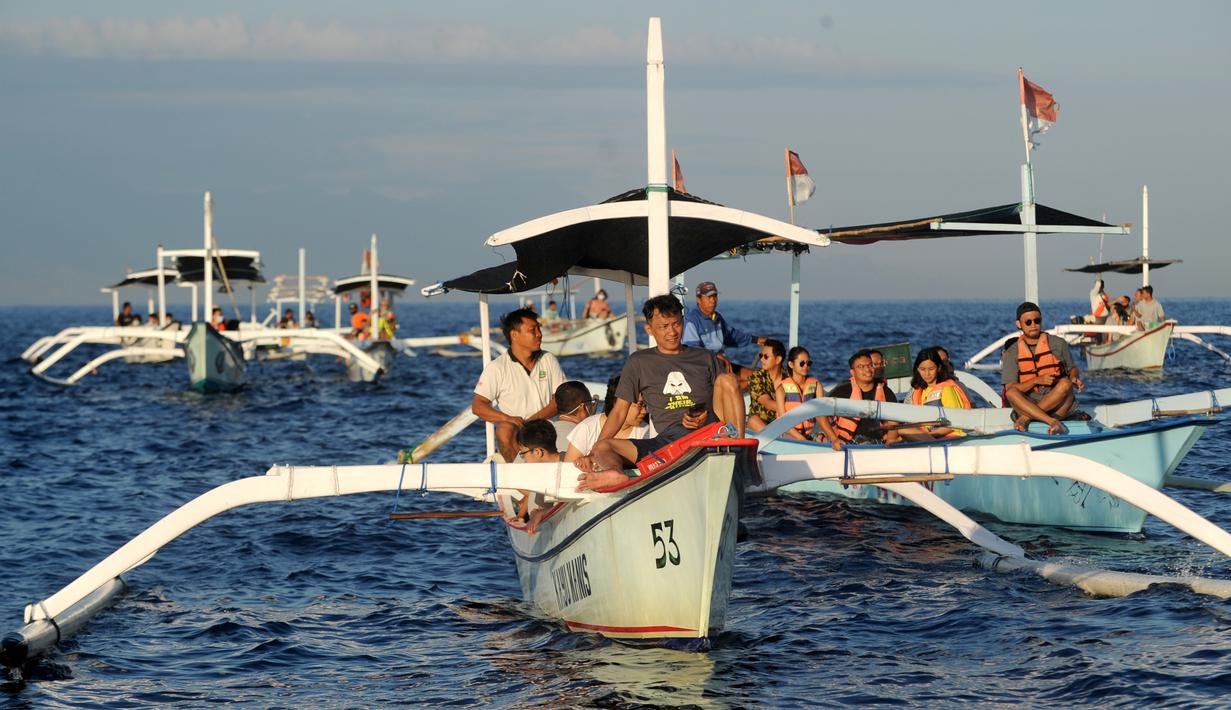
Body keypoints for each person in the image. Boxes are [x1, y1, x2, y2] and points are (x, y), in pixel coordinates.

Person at [574, 294, 745, 491]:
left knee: (729, 379)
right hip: (666, 442)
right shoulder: (639, 362)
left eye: (676, 324)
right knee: (603, 446)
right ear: (649, 329)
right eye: (663, 327)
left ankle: (739, 455)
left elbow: (725, 397)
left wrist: (704, 418)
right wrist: (594, 451)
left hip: (709, 433)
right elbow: (620, 410)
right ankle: (615, 473)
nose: (672, 332)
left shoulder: (706, 357)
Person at [472, 308, 567, 462]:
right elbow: (478, 406)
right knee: (504, 429)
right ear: (514, 335)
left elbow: (561, 399)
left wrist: (532, 422)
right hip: (519, 432)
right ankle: (516, 473)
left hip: (549, 428)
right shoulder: (497, 367)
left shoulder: (548, 360)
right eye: (533, 330)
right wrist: (508, 418)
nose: (539, 334)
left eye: (539, 328)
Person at [1000, 301, 1084, 434]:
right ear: (1018, 324)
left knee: (1066, 383)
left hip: (1058, 406)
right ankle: (1052, 422)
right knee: (1011, 393)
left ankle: (1026, 419)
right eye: (1028, 322)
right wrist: (1036, 380)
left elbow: (1072, 368)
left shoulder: (1058, 344)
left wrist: (1074, 378)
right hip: (1028, 403)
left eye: (1037, 321)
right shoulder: (1011, 353)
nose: (1033, 325)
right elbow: (1010, 389)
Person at [681, 281, 766, 384]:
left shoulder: (717, 317)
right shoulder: (692, 320)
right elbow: (692, 349)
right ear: (698, 299)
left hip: (722, 364)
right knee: (741, 384)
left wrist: (756, 340)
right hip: (706, 369)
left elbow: (731, 336)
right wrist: (716, 355)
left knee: (757, 379)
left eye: (715, 296)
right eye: (709, 297)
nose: (713, 300)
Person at [563, 376, 654, 462]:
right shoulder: (587, 428)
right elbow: (569, 468)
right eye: (639, 405)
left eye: (646, 405)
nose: (644, 411)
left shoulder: (647, 432)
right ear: (619, 403)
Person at [824, 349, 900, 450]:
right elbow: (820, 413)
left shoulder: (886, 392)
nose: (867, 370)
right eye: (861, 366)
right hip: (847, 443)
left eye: (870, 365)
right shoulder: (843, 390)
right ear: (852, 372)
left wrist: (891, 441)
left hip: (880, 443)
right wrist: (834, 439)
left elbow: (894, 420)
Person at [897, 348, 972, 441]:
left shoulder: (947, 389)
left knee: (904, 431)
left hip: (951, 439)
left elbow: (956, 423)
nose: (927, 374)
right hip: (931, 437)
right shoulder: (920, 391)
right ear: (917, 369)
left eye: (931, 369)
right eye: (923, 369)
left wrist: (930, 434)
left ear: (939, 368)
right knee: (899, 430)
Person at [775, 346, 839, 442]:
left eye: (808, 363)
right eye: (802, 363)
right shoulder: (781, 389)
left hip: (812, 432)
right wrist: (802, 439)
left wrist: (823, 434)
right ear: (791, 364)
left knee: (824, 438)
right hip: (789, 433)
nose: (806, 366)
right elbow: (782, 421)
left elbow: (822, 414)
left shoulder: (816, 385)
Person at [512, 420, 563, 535]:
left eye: (523, 454)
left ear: (538, 452)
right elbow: (541, 509)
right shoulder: (542, 475)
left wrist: (539, 513)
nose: (523, 460)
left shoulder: (571, 463)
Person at [747, 338, 787, 432]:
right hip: (760, 425)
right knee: (753, 421)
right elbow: (766, 402)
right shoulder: (756, 377)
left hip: (783, 423)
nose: (761, 359)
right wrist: (794, 408)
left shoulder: (789, 378)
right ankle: (778, 441)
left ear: (778, 359)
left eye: (766, 356)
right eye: (761, 355)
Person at [552, 381, 594, 453]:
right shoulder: (588, 436)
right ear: (582, 407)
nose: (592, 407)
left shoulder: (546, 432)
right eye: (591, 403)